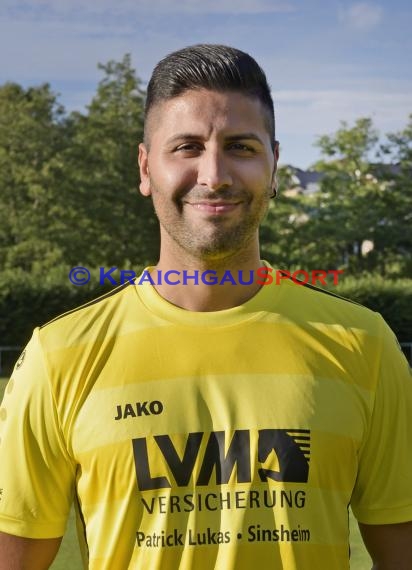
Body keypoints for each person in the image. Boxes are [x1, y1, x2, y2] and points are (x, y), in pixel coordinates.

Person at [0, 44, 411, 570]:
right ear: (146, 168)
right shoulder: (59, 356)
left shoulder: (363, 344)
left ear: (275, 164)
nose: (214, 175)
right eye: (187, 147)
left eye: (240, 147)